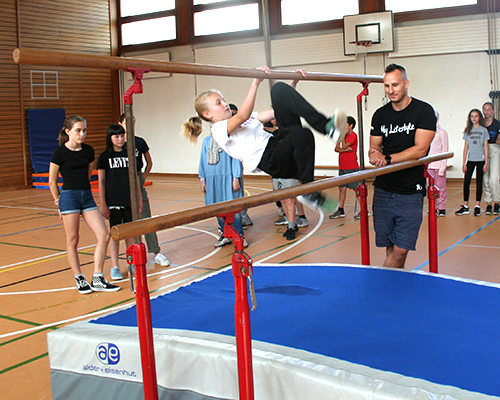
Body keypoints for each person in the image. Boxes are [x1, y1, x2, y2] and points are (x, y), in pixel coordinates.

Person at [181, 66, 344, 219]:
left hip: (278, 143)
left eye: (224, 100)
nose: (225, 104)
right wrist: (255, 82)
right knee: (303, 134)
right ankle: (309, 191)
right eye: (219, 103)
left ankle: (326, 126)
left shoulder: (243, 119)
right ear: (207, 114)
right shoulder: (218, 128)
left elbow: (279, 109)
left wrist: (292, 85)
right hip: (271, 159)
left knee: (279, 89)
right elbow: (242, 116)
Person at [369, 64, 437, 269]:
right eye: (387, 86)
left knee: (401, 250)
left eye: (395, 85)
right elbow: (374, 148)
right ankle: (393, 291)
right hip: (383, 189)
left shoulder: (423, 111)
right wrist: (375, 157)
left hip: (410, 190)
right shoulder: (380, 115)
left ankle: (381, 285)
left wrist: (387, 158)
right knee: (390, 246)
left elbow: (420, 150)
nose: (391, 90)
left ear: (406, 84)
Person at [49, 115, 119, 293]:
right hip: (69, 197)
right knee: (73, 239)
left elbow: (88, 175)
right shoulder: (59, 153)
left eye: (84, 130)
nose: (82, 134)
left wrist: (84, 192)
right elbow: (52, 181)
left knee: (104, 235)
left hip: (86, 196)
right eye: (78, 130)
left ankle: (97, 277)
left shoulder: (88, 151)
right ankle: (79, 277)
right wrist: (59, 201)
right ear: (68, 132)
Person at [119, 114, 170, 266]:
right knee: (126, 221)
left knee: (146, 217)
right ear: (120, 123)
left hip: (137, 180)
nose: (130, 124)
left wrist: (142, 177)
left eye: (133, 122)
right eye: (126, 122)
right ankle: (131, 256)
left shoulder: (139, 142)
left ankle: (156, 252)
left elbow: (149, 162)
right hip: (122, 183)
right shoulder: (117, 143)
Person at [97, 124, 142, 280]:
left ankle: (131, 263)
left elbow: (135, 178)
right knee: (115, 234)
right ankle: (115, 266)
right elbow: (101, 181)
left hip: (129, 200)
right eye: (116, 136)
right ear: (110, 138)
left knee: (130, 233)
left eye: (122, 136)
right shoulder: (104, 157)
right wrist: (103, 203)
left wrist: (139, 199)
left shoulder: (130, 155)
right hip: (113, 200)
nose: (120, 139)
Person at [198, 133, 248, 248]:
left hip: (228, 177)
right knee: (217, 208)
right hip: (211, 179)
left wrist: (236, 178)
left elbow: (236, 158)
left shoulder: (230, 138)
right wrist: (202, 180)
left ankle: (240, 235)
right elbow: (202, 159)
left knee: (233, 207)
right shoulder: (206, 140)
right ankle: (225, 234)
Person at [455, 109, 489, 216]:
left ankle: (477, 206)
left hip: (481, 160)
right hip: (470, 160)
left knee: (479, 183)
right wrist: (464, 162)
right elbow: (466, 148)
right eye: (472, 116)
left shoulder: (484, 130)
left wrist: (486, 162)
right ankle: (465, 206)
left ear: (480, 118)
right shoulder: (468, 130)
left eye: (476, 116)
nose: (474, 118)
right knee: (467, 182)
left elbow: (486, 147)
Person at [227, 104, 253, 228]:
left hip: (235, 170)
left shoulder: (240, 131)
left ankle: (242, 216)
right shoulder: (221, 132)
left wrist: (236, 176)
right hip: (224, 171)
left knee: (238, 193)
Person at [330, 116, 360, 219]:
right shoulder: (341, 136)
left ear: (350, 125)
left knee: (356, 188)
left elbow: (345, 145)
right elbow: (337, 149)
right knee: (342, 189)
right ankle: (340, 210)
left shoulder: (353, 135)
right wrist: (343, 149)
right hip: (342, 167)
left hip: (351, 166)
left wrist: (343, 141)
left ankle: (364, 210)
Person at [427, 111, 449, 216]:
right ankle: (433, 207)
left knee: (440, 187)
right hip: (429, 165)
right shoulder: (426, 132)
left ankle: (442, 207)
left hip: (439, 164)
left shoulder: (442, 132)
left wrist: (442, 167)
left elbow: (445, 150)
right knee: (430, 187)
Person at [481, 102, 500, 215]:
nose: (487, 112)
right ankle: (488, 203)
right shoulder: (480, 123)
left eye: (489, 109)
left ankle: (497, 202)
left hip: (494, 150)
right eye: (485, 109)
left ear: (492, 111)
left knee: (494, 178)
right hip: (483, 151)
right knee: (485, 179)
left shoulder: (497, 124)